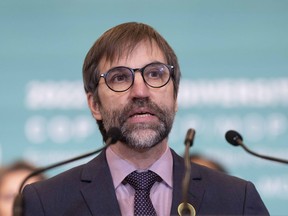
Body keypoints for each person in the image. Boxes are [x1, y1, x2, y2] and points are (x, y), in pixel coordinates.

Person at [22, 22, 269, 215]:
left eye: (155, 74)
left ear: (175, 96)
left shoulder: (237, 198)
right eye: (119, 77)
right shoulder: (46, 202)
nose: (140, 92)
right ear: (94, 104)